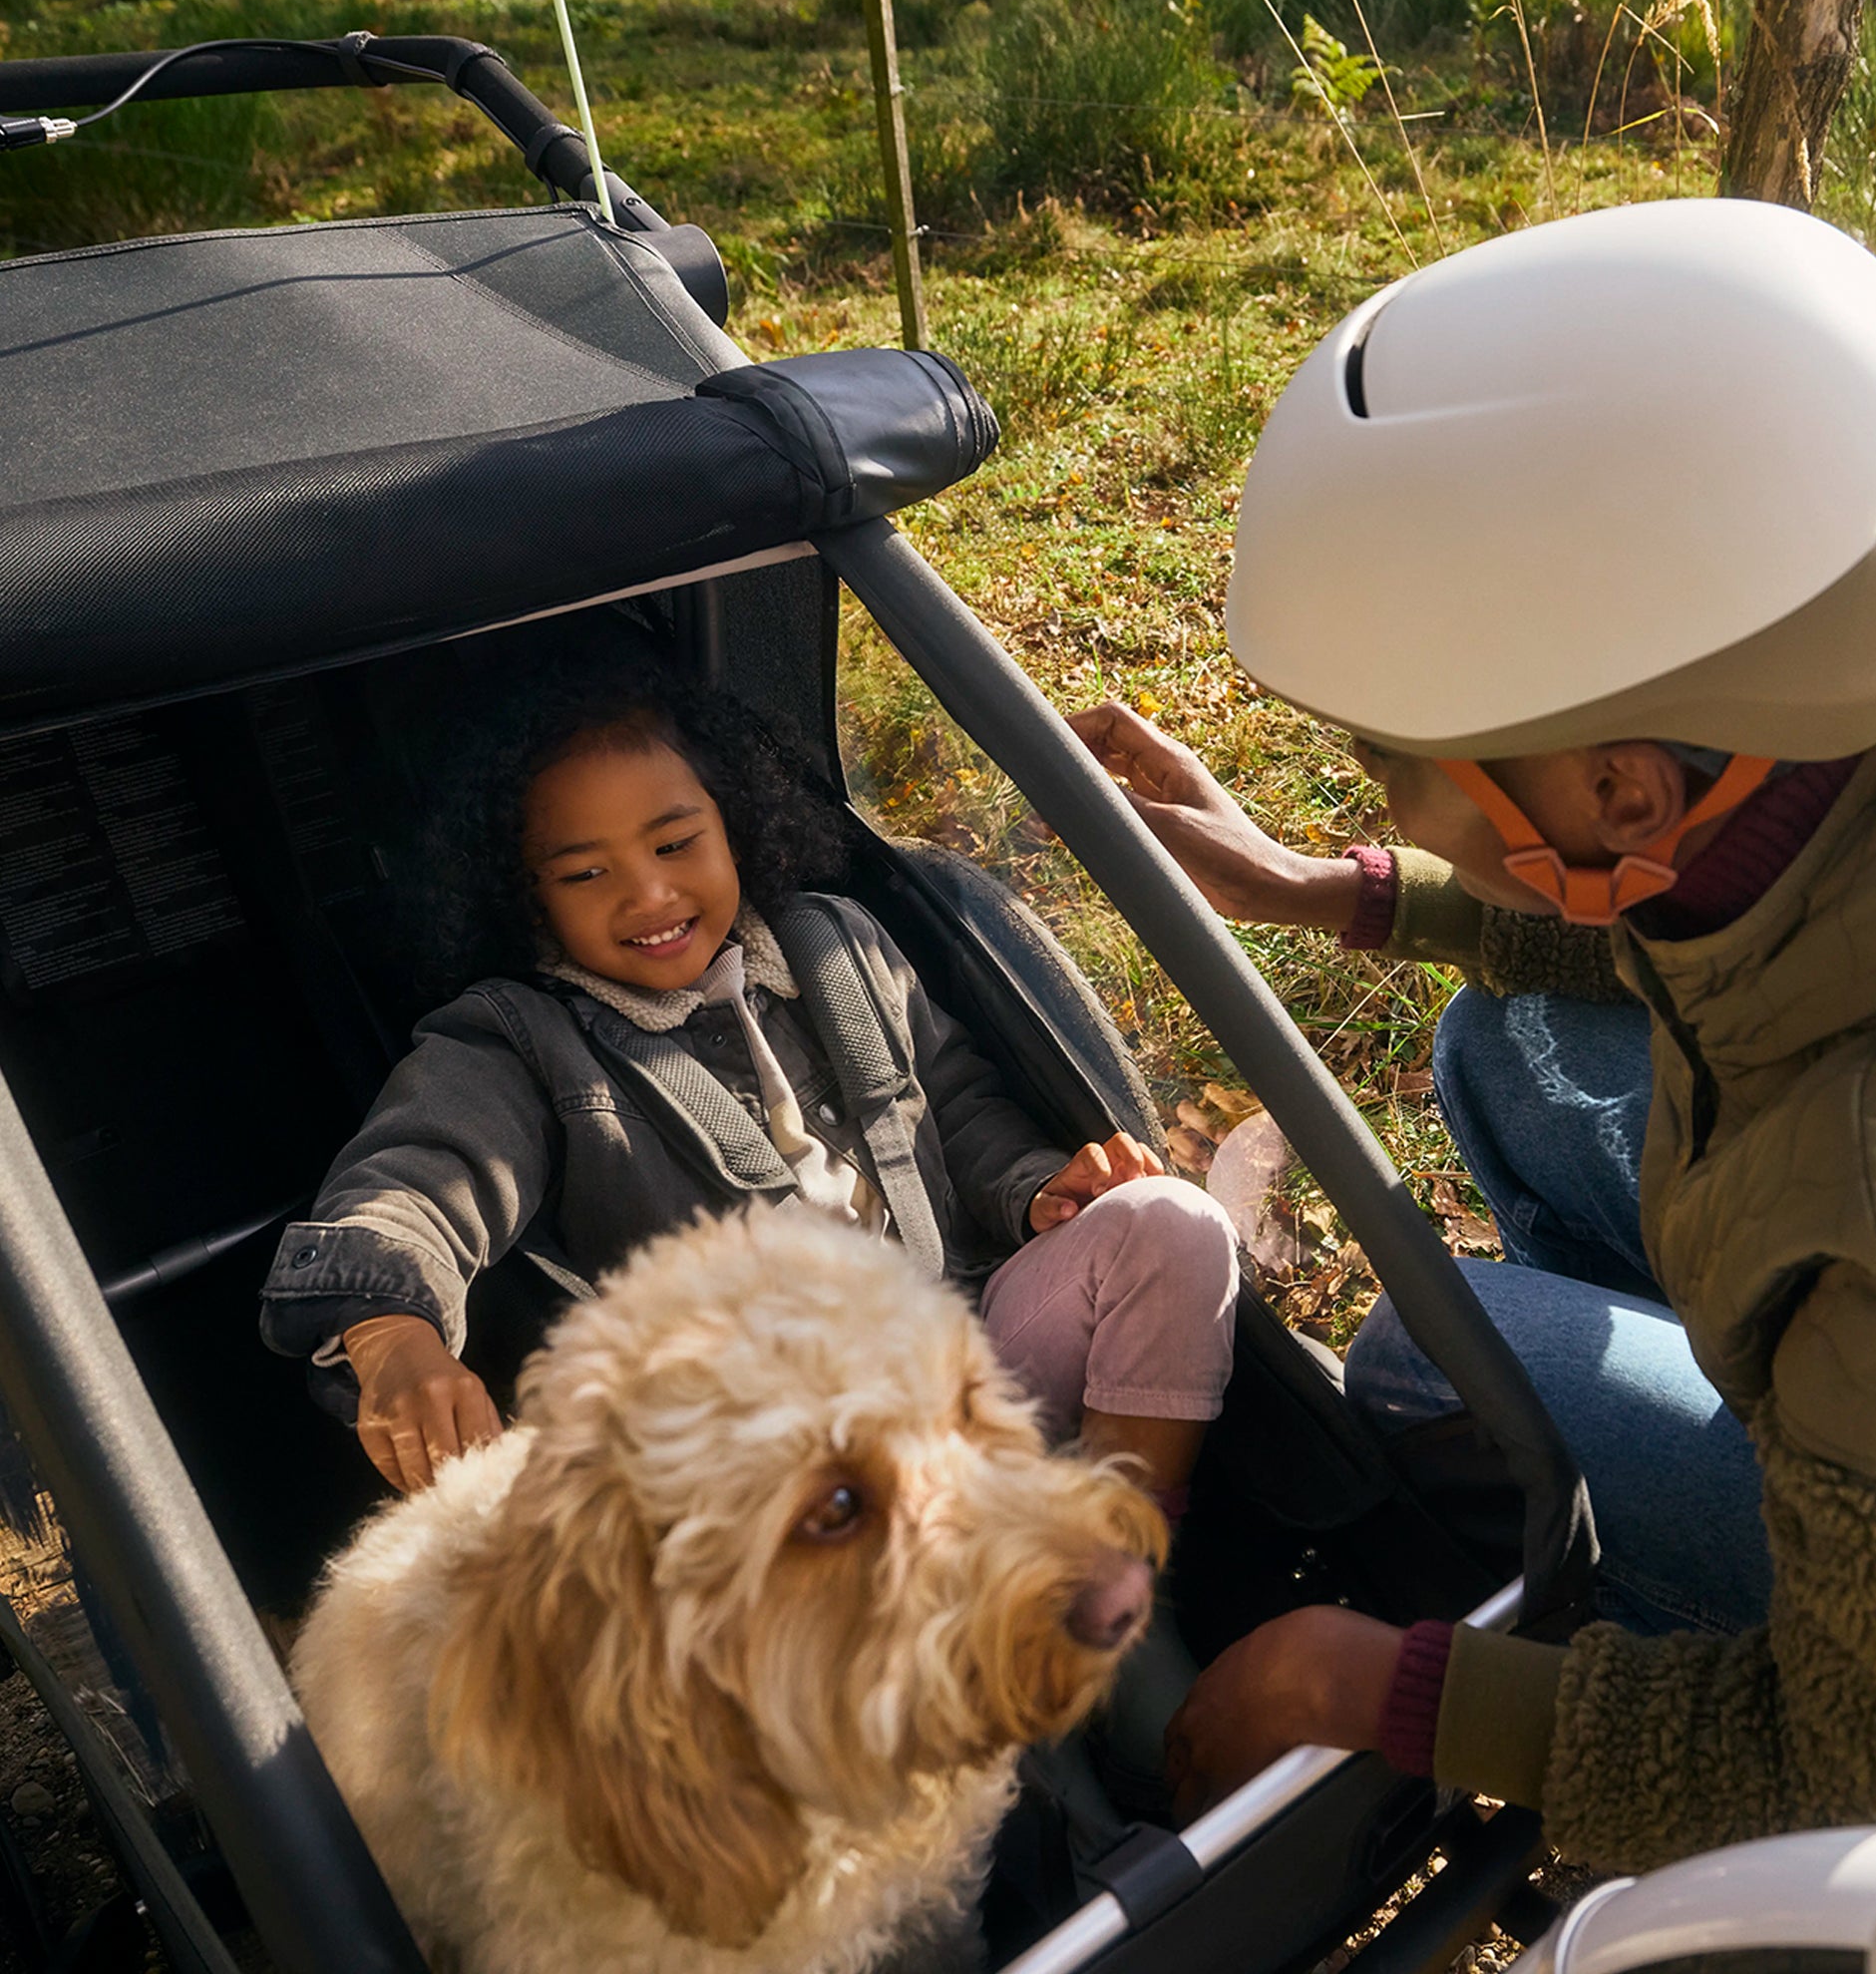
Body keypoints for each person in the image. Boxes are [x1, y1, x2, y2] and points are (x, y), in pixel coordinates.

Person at [1071, 196, 1876, 1873]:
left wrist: (1384, 1681)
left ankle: (1704, 1526)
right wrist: (1346, 890)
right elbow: (1759, 901)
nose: (1385, 792)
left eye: (1395, 765)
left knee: (1416, 1350)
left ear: (1617, 794)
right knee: (1494, 1060)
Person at [259, 627, 1238, 1520]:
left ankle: (1117, 1561)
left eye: (676, 842)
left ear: (733, 817)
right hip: (790, 1458)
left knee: (1173, 1225)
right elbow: (415, 1180)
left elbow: (956, 1105)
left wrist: (1034, 1191)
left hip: (972, 1338)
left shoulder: (840, 943)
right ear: (522, 896)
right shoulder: (518, 1042)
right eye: (584, 872)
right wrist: (392, 1335)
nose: (649, 891)